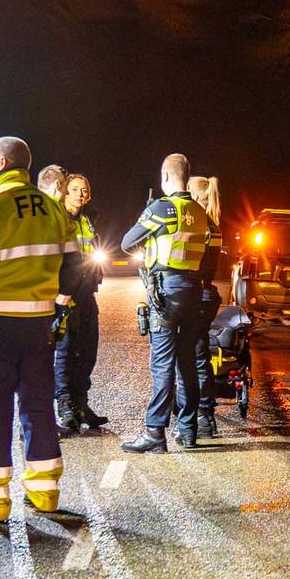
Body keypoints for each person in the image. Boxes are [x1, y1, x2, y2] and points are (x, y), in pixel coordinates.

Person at [0, 136, 83, 523]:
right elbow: (74, 267)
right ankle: (44, 493)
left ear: (3, 162)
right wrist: (56, 307)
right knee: (38, 404)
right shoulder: (54, 209)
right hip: (38, 325)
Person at [119, 154, 211, 452]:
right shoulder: (199, 211)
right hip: (192, 291)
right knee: (187, 362)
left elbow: (126, 241)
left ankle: (155, 432)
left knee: (162, 363)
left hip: (166, 291)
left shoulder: (162, 208)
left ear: (166, 176)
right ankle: (189, 430)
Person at [54, 173, 108, 434]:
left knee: (88, 351)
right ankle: (65, 408)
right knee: (65, 353)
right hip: (66, 295)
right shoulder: (58, 219)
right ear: (64, 192)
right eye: (74, 189)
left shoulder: (87, 220)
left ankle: (81, 405)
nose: (80, 194)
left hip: (87, 295)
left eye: (84, 190)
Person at [189, 175, 225, 437]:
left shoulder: (200, 225)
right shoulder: (214, 225)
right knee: (200, 355)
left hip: (196, 295)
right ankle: (205, 416)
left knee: (195, 357)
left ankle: (201, 415)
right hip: (206, 294)